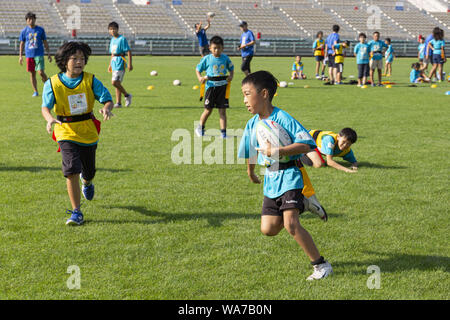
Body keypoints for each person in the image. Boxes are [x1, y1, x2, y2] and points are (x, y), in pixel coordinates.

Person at [238, 71, 333, 280]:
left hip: (290, 175)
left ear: (263, 94)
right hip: (271, 180)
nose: (244, 100)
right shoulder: (252, 124)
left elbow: (306, 144)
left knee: (291, 225)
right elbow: (250, 151)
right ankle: (304, 204)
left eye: (247, 94)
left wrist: (280, 151)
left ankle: (321, 265)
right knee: (268, 229)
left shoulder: (282, 118)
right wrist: (251, 172)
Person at [41, 42, 114, 225]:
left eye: (82, 59)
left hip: (87, 131)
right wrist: (49, 118)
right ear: (65, 61)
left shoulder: (90, 80)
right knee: (71, 169)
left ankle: (87, 182)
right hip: (65, 130)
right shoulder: (53, 83)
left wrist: (106, 108)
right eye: (75, 58)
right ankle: (76, 212)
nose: (79, 62)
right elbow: (45, 107)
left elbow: (107, 99)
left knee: (88, 171)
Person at [195, 36, 234, 139]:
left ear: (223, 48)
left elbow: (231, 69)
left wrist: (231, 76)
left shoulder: (225, 58)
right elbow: (198, 69)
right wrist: (200, 78)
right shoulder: (207, 59)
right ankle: (200, 128)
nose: (217, 50)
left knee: (222, 111)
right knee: (208, 110)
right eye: (215, 48)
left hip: (222, 88)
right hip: (211, 88)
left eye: (219, 48)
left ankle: (224, 133)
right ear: (210, 48)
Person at [19, 12, 52, 97]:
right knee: (32, 74)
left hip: (39, 54)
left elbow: (45, 42)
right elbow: (22, 44)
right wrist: (20, 56)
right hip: (29, 55)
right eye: (29, 19)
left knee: (41, 72)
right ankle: (35, 91)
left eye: (32, 19)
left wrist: (48, 53)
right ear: (26, 21)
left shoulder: (40, 30)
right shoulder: (24, 31)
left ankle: (49, 87)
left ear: (35, 19)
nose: (31, 20)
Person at [108, 22, 133, 108]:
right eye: (111, 29)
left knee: (114, 82)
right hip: (114, 63)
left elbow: (128, 51)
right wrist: (110, 65)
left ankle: (127, 95)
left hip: (120, 62)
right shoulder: (112, 40)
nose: (112, 31)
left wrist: (130, 64)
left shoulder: (122, 39)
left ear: (117, 29)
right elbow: (112, 53)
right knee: (117, 83)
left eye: (114, 29)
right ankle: (118, 103)